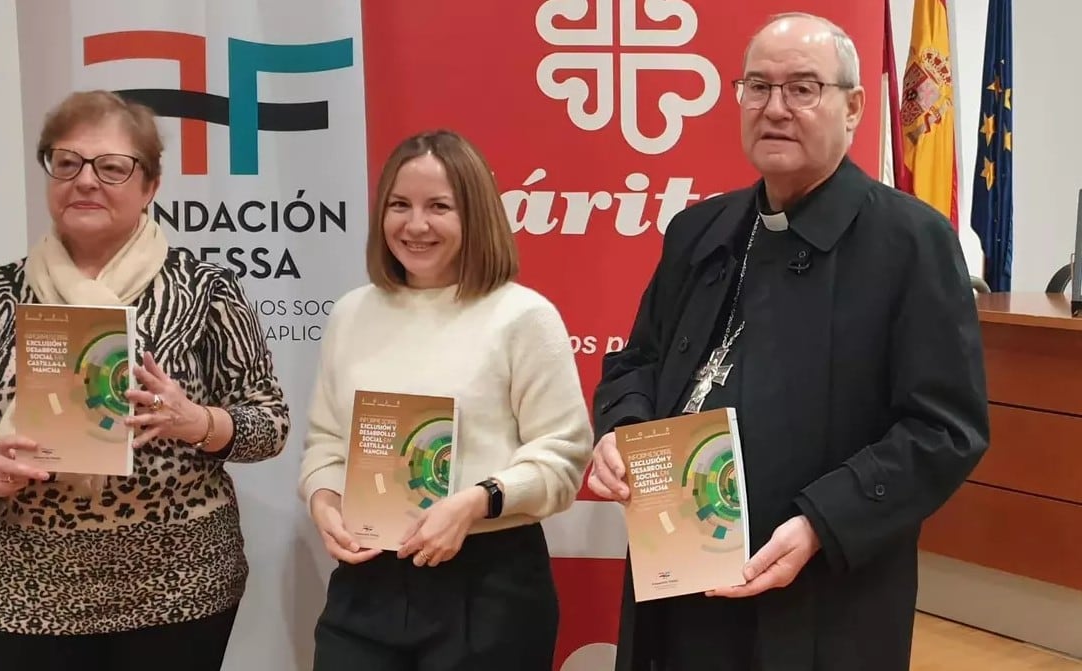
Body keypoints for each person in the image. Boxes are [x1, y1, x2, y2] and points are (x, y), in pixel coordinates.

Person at [587, 13, 989, 671]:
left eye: (803, 88)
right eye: (758, 87)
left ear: (854, 106)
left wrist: (819, 524)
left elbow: (945, 428)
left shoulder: (911, 243)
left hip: (819, 592)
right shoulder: (700, 230)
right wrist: (621, 429)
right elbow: (639, 361)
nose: (776, 108)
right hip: (680, 575)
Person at [0, 90, 290, 671]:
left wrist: (200, 422)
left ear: (150, 187)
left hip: (178, 589)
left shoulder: (207, 292)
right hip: (29, 596)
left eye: (111, 167)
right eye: (67, 162)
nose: (85, 181)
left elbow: (271, 422)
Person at [298, 129, 593, 670]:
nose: (415, 225)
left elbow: (564, 455)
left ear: (475, 215)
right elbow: (325, 442)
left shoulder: (522, 316)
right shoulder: (351, 314)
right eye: (399, 205)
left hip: (487, 586)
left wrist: (477, 500)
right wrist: (324, 501)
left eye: (439, 207)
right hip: (367, 582)